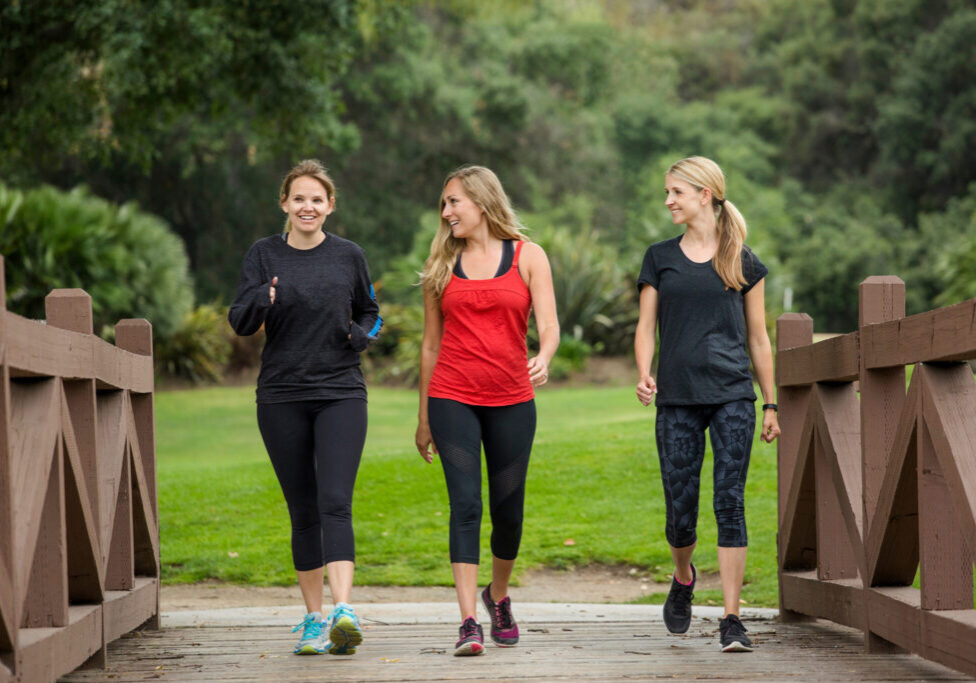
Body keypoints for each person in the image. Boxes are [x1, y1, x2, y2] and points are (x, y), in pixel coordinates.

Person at [228, 159, 381, 656]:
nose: (307, 206)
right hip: (281, 396)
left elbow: (371, 312)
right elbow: (240, 321)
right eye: (299, 198)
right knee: (303, 510)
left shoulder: (349, 256)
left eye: (317, 198)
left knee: (335, 500)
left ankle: (343, 611)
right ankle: (313, 620)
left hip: (340, 391)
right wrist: (262, 299)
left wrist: (360, 335)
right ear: (285, 204)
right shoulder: (263, 255)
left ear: (330, 205)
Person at [634, 155, 780, 653]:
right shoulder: (659, 257)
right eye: (668, 192)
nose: (669, 200)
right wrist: (644, 373)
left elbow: (759, 340)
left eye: (676, 191)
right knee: (680, 513)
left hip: (732, 397)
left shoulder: (743, 261)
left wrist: (771, 404)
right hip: (676, 398)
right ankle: (684, 575)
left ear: (705, 195)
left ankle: (732, 618)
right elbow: (645, 327)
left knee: (729, 502)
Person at [415, 165, 559, 656]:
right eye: (444, 204)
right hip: (452, 395)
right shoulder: (440, 260)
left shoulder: (527, 255)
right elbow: (430, 345)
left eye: (454, 201)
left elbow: (551, 324)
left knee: (508, 511)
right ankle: (468, 622)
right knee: (466, 505)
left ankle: (497, 596)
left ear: (481, 201)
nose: (447, 211)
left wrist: (544, 355)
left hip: (512, 399)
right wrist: (422, 418)